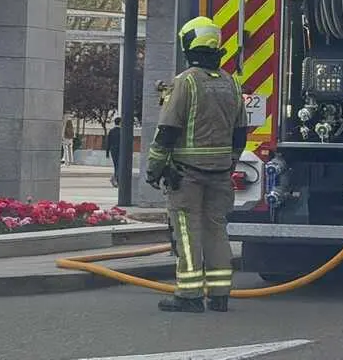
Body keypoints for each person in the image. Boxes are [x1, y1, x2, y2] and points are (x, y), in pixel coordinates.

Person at [145, 16, 247, 313]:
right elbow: (240, 132)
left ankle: (188, 296)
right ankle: (219, 294)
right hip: (220, 173)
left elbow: (167, 130)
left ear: (188, 44)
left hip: (187, 175)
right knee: (217, 229)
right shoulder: (231, 83)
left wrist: (154, 168)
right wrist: (230, 163)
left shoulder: (185, 81)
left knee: (189, 233)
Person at [105, 117, 121, 187]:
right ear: (120, 123)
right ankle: (115, 179)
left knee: (116, 165)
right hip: (120, 150)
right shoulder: (122, 131)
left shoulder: (111, 131)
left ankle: (116, 179)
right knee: (119, 165)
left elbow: (108, 142)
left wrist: (107, 152)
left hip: (113, 150)